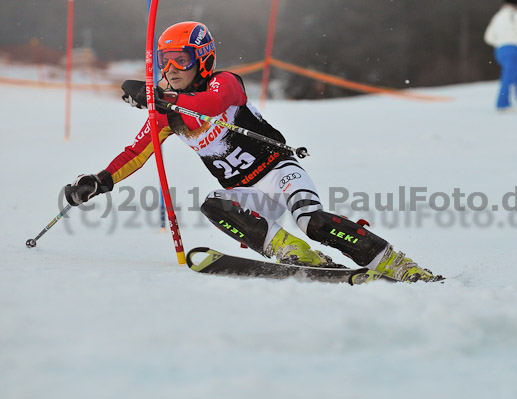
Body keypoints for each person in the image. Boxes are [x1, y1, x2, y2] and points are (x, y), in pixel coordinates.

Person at [64, 21, 440, 283]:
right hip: (246, 191)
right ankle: (299, 255)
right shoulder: (165, 114)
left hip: (278, 171)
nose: (172, 67)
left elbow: (209, 106)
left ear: (202, 58)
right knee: (214, 204)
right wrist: (100, 181)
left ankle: (395, 263)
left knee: (313, 221)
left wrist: (162, 97)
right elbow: (136, 152)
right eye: (166, 60)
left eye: (181, 58)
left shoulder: (224, 84)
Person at [484, 0, 517, 110]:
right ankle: (502, 104)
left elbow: (488, 37)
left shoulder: (497, 17)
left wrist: (500, 42)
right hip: (513, 49)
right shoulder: (515, 14)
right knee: (508, 76)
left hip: (500, 51)